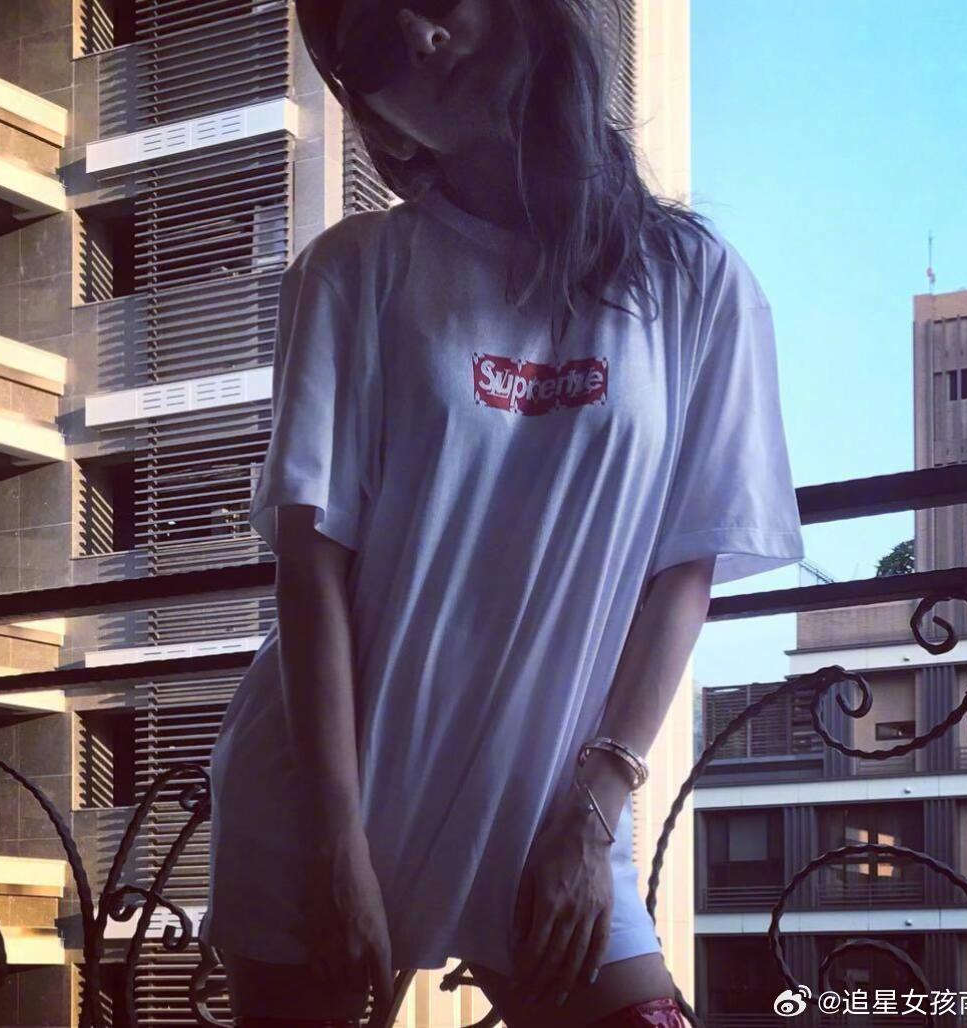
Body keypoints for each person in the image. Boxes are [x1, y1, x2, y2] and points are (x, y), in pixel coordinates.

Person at [199, 1, 806, 1026]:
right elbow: (311, 571)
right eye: (372, 42)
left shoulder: (697, 282)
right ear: (376, 115)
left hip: (548, 814)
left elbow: (683, 573)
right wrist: (335, 842)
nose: (420, 35)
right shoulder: (351, 273)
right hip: (321, 804)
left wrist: (595, 808)